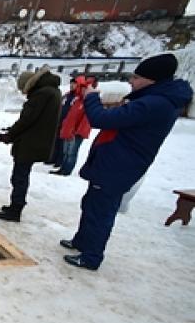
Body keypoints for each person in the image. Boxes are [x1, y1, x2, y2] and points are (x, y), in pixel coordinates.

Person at [61, 53, 193, 270]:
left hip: (118, 165)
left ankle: (91, 256)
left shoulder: (154, 104)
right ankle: (82, 241)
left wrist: (92, 97)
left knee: (101, 211)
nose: (131, 81)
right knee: (92, 203)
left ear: (152, 80)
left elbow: (100, 119)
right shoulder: (153, 100)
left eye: (136, 77)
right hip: (114, 162)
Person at [0, 66, 61, 221]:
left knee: (19, 176)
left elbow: (26, 120)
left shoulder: (41, 95)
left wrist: (8, 136)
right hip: (38, 141)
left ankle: (15, 209)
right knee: (21, 175)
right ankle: (15, 205)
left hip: (30, 143)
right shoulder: (52, 91)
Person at [51, 75, 97, 176]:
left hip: (77, 133)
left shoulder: (89, 102)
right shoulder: (78, 100)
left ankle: (67, 170)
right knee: (66, 151)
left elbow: (86, 120)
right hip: (69, 130)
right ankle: (63, 168)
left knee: (71, 152)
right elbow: (70, 116)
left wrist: (78, 131)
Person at [46, 77, 77, 167]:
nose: (72, 85)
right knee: (56, 141)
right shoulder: (67, 95)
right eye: (71, 83)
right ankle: (53, 158)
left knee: (63, 144)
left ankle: (60, 161)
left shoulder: (77, 97)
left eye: (74, 84)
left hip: (68, 123)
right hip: (60, 120)